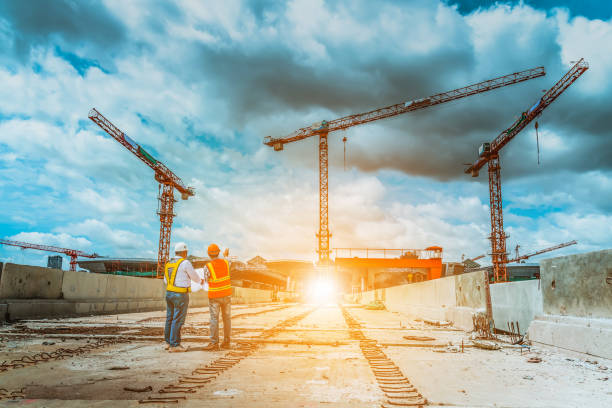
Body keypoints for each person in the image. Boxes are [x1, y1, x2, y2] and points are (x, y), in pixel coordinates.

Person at [163, 242, 205, 352]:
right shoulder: (185, 263)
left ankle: (168, 342)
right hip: (180, 295)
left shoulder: (168, 264)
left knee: (170, 318)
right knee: (177, 319)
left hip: (169, 294)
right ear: (184, 252)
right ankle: (175, 345)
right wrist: (201, 281)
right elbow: (194, 277)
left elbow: (165, 280)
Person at [203, 243, 232, 350]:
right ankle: (227, 342)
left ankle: (214, 343)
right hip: (227, 295)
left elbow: (206, 281)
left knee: (214, 319)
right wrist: (225, 254)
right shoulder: (226, 262)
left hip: (214, 296)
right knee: (227, 319)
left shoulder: (208, 266)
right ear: (218, 252)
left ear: (208, 254)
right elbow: (226, 259)